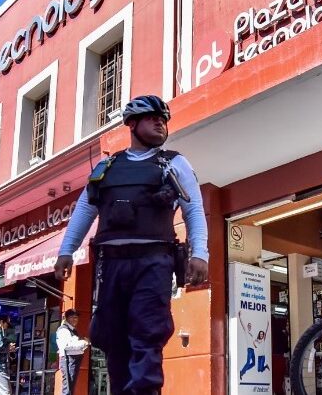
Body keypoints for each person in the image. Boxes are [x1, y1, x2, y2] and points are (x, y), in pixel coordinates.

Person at [53, 95, 209, 395]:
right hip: (111, 266)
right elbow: (85, 209)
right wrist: (66, 251)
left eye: (163, 119)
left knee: (147, 334)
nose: (161, 123)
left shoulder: (174, 163)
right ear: (132, 124)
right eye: (152, 118)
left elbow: (193, 210)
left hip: (154, 264)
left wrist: (200, 253)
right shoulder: (107, 166)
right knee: (112, 338)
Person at [56, 309, 89, 395]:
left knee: (70, 387)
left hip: (72, 360)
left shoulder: (72, 330)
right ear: (66, 318)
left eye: (76, 317)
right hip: (69, 360)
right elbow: (67, 345)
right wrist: (84, 343)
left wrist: (85, 344)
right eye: (72, 317)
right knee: (67, 388)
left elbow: (74, 346)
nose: (75, 319)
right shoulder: (64, 330)